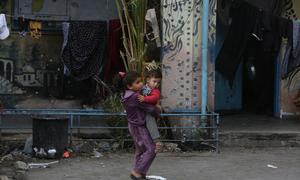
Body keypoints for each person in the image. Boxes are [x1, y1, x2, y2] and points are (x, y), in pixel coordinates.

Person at [114, 71, 160, 180]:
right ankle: (137, 171)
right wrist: (157, 110)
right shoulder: (135, 97)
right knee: (151, 149)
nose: (141, 84)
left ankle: (139, 172)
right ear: (129, 86)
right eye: (138, 82)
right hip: (139, 127)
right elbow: (149, 109)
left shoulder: (125, 94)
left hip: (133, 126)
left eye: (141, 81)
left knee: (140, 150)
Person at [138, 69, 163, 153]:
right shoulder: (142, 87)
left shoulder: (155, 91)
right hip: (142, 111)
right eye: (154, 81)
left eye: (158, 82)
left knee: (150, 119)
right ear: (148, 80)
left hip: (150, 111)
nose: (156, 84)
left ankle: (156, 141)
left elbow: (154, 98)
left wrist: (145, 98)